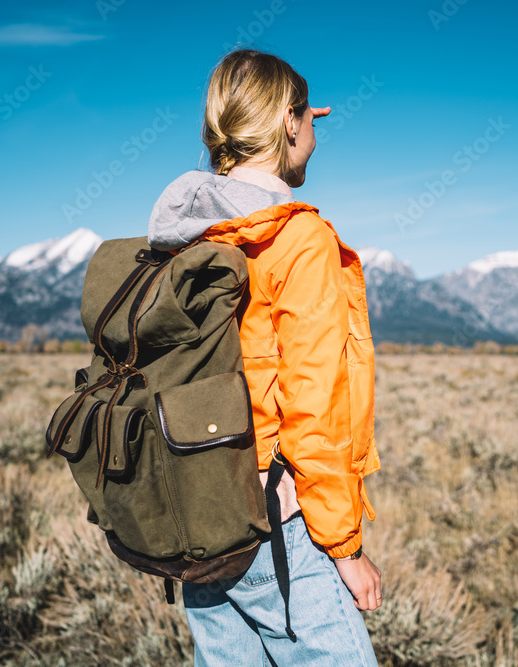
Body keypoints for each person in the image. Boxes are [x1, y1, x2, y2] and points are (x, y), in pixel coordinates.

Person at [147, 48, 382, 666]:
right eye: (305, 121)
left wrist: (290, 113)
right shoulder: (298, 239)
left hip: (197, 502)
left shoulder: (187, 237)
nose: (314, 136)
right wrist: (346, 549)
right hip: (273, 523)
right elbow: (315, 414)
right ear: (287, 121)